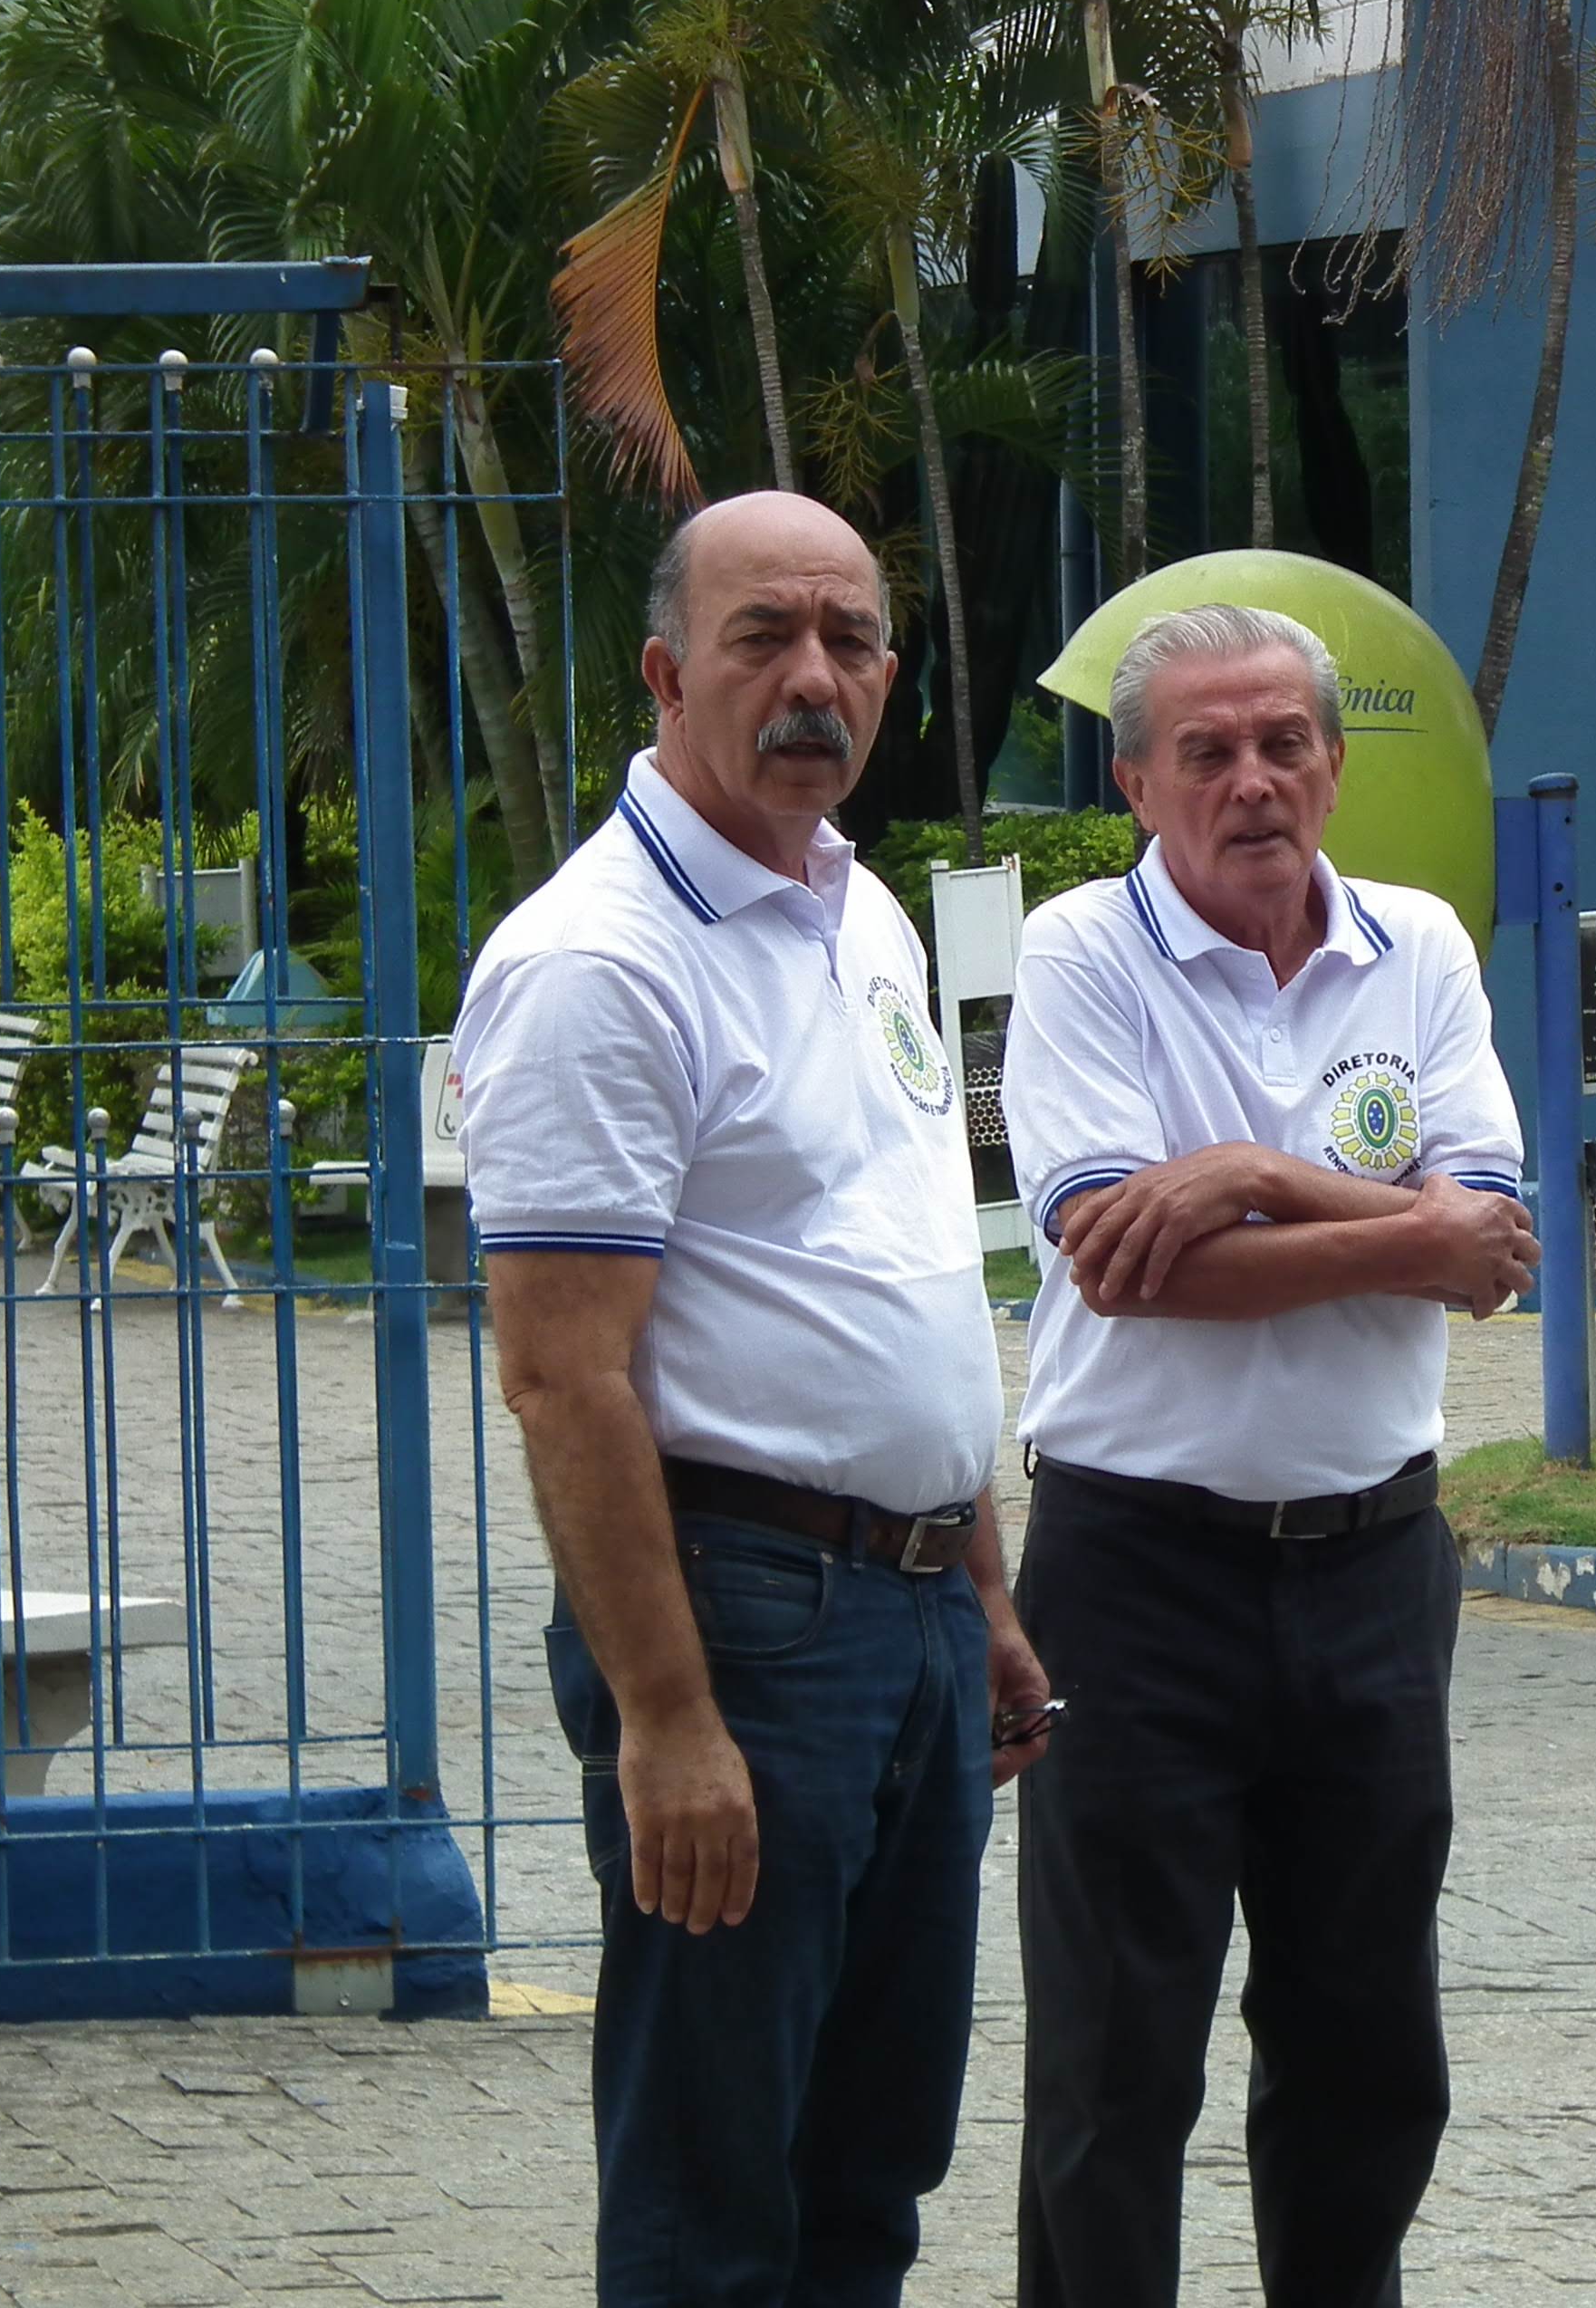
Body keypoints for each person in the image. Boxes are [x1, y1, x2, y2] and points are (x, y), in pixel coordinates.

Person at [455, 491, 1049, 2307]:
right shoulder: (598, 966)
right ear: (663, 673)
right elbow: (565, 1378)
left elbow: (900, 1268)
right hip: (747, 1631)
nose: (815, 679)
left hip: (913, 1623)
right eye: (763, 638)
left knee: (867, 2174)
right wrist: (667, 1720)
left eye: (850, 640)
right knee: (720, 2194)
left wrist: (984, 1592)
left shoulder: (853, 905)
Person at [999, 603, 1541, 2308]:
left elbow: (1503, 1246)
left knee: (1369, 2042)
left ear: (1333, 759)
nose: (1253, 783)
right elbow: (1127, 1269)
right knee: (1115, 2061)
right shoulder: (1086, 954)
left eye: (1283, 743)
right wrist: (1404, 1228)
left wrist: (1251, 1174)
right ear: (1138, 779)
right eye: (1208, 753)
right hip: (1136, 1576)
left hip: (1378, 1568)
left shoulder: (1422, 950)